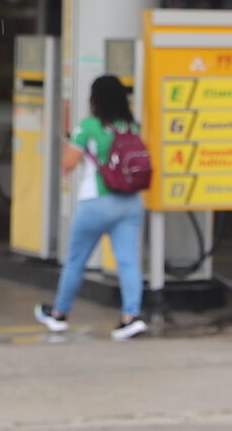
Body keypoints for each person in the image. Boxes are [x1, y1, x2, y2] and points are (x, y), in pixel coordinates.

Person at [35, 75, 149, 339]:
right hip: (131, 203)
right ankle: (131, 318)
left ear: (94, 99)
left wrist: (69, 144)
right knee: (128, 262)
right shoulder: (133, 126)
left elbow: (68, 164)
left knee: (75, 262)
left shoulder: (87, 127)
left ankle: (59, 315)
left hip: (96, 203)